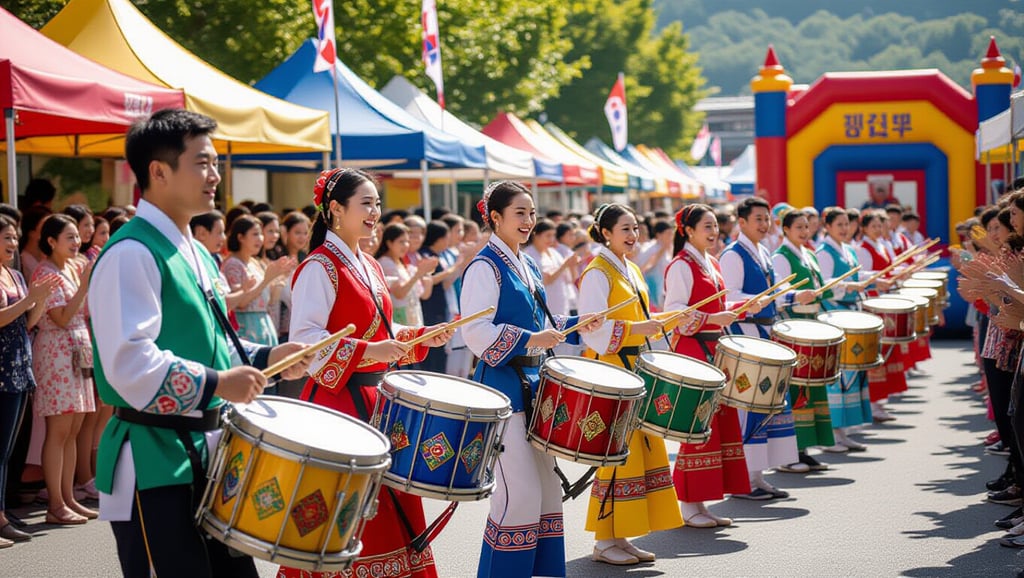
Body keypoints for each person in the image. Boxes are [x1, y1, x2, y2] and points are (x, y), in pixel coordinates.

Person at [89, 109, 311, 577]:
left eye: (215, 163)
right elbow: (129, 364)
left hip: (210, 452)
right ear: (159, 171)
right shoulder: (132, 253)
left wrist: (269, 358)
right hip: (153, 456)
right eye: (202, 163)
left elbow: (214, 344)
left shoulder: (195, 252)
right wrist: (217, 383)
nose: (215, 175)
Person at [284, 167, 453, 578]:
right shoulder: (318, 268)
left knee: (389, 510)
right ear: (336, 210)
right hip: (337, 407)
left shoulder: (370, 266)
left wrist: (420, 337)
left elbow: (383, 333)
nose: (376, 211)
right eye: (366, 203)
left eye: (377, 203)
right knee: (344, 515)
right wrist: (368, 350)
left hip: (377, 405)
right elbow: (306, 343)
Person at [460, 181, 599, 578]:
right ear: (495, 217)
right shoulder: (484, 266)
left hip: (538, 389)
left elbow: (543, 324)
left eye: (532, 213)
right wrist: (530, 339)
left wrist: (576, 325)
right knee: (517, 495)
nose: (528, 221)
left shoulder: (527, 264)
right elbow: (475, 332)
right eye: (519, 213)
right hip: (503, 390)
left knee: (547, 495)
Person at [578, 203, 684, 565]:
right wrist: (638, 329)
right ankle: (604, 539)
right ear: (605, 233)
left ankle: (620, 537)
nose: (633, 235)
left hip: (632, 368)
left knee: (634, 454)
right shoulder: (597, 272)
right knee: (614, 454)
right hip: (609, 370)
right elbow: (591, 332)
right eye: (625, 229)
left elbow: (643, 319)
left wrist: (667, 320)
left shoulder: (632, 268)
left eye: (635, 228)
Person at [663, 204, 751, 527]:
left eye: (715, 226)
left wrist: (745, 305)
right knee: (695, 426)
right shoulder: (680, 265)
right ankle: (688, 504)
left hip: (713, 350)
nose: (714, 232)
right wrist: (715, 318)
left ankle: (700, 503)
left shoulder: (712, 262)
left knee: (714, 426)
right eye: (707, 226)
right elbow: (673, 313)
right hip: (692, 350)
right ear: (687, 230)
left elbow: (720, 306)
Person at [719, 196, 810, 498]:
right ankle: (744, 477)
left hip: (762, 332)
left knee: (766, 405)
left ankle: (756, 476)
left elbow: (777, 289)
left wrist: (795, 296)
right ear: (741, 222)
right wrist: (753, 301)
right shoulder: (732, 254)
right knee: (748, 407)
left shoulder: (763, 251)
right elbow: (729, 297)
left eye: (766, 218)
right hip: (744, 335)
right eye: (757, 219)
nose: (764, 224)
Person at [31, 214, 98, 524]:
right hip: (56, 353)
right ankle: (55, 503)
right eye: (69, 237)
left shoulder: (71, 268)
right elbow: (59, 317)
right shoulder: (46, 272)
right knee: (59, 431)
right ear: (51, 241)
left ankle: (68, 497)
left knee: (73, 430)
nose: (76, 242)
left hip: (77, 351)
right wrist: (84, 287)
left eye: (77, 237)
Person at [0, 215, 60, 546]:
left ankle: (2, 515)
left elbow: (28, 322)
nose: (12, 243)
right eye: (6, 237)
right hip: (1, 370)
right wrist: (29, 299)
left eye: (14, 238)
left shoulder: (15, 275)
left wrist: (38, 300)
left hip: (18, 369)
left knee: (6, 451)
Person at [771, 209, 837, 472]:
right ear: (786, 229)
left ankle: (804, 448)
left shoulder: (808, 253)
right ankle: (789, 453)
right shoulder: (780, 257)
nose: (803, 231)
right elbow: (780, 293)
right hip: (794, 327)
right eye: (798, 226)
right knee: (796, 388)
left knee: (812, 386)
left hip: (812, 324)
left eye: (806, 226)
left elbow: (822, 285)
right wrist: (799, 296)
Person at [815, 207, 871, 452]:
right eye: (838, 224)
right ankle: (833, 434)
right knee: (838, 375)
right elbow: (823, 283)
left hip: (851, 313)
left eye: (847, 223)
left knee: (852, 372)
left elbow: (858, 277)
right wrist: (848, 286)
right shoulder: (823, 252)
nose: (844, 228)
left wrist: (876, 279)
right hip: (834, 314)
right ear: (826, 226)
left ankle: (845, 431)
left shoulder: (848, 249)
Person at [855, 210, 903, 422]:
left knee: (886, 350)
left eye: (879, 226)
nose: (878, 229)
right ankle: (873, 402)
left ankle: (880, 401)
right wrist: (879, 280)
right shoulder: (863, 249)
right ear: (864, 228)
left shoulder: (880, 245)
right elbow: (862, 276)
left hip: (883, 300)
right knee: (876, 351)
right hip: (873, 302)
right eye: (873, 226)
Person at [222, 215, 294, 347]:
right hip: (247, 327)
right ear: (240, 237)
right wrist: (267, 279)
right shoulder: (233, 264)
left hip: (264, 325)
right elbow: (241, 302)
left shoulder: (255, 263)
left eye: (261, 234)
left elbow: (270, 300)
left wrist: (279, 277)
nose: (260, 239)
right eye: (255, 234)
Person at [375, 222, 437, 326]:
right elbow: (399, 293)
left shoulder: (401, 263)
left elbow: (422, 295)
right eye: (401, 242)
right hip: (400, 317)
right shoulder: (385, 262)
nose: (406, 246)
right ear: (389, 243)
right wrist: (418, 274)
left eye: (407, 242)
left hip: (412, 313)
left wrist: (426, 276)